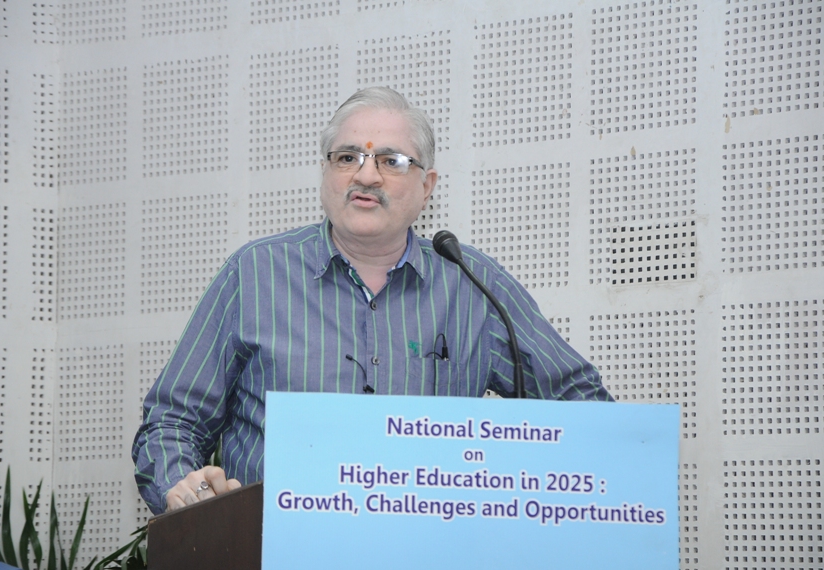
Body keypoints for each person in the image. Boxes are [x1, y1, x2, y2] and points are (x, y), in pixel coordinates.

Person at [132, 87, 613, 514]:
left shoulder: (472, 285)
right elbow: (173, 421)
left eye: (391, 160)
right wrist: (182, 486)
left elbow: (582, 407)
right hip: (274, 550)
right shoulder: (254, 274)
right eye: (347, 158)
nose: (366, 176)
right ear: (325, 173)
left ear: (427, 187)